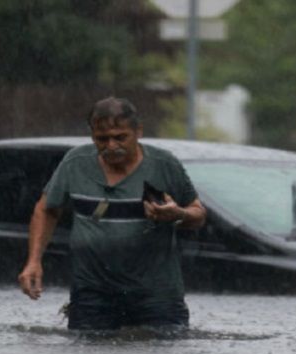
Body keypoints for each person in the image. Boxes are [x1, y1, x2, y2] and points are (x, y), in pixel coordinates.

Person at [17, 97, 206, 331]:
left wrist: (177, 213)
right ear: (92, 135)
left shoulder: (164, 165)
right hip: (92, 294)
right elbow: (46, 209)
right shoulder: (75, 163)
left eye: (120, 137)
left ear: (138, 132)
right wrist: (34, 261)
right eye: (102, 139)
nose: (111, 145)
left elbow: (198, 214)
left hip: (156, 297)